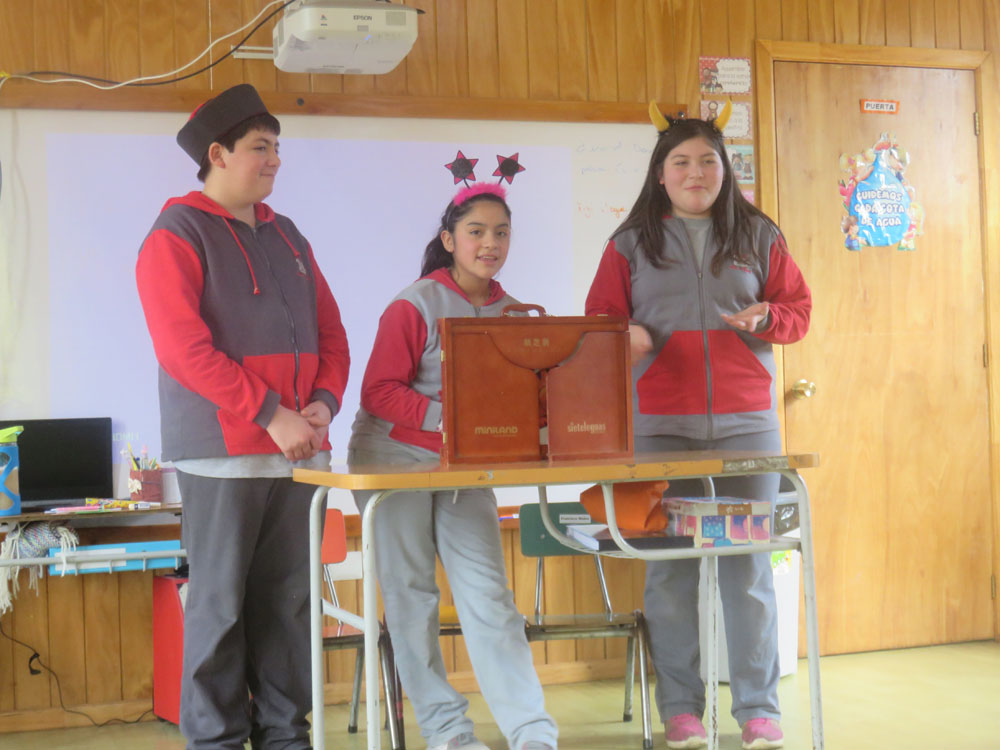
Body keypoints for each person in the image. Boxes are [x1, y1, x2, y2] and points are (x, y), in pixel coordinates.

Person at [585, 108, 811, 750]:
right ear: (660, 174)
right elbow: (598, 323)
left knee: (747, 569)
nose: (695, 173)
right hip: (659, 428)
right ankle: (681, 710)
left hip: (747, 428)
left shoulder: (758, 234)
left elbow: (798, 311)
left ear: (725, 170)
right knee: (671, 573)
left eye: (708, 161)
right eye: (681, 162)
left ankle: (759, 711)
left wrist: (768, 317)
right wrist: (625, 336)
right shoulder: (630, 243)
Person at [136, 83, 350, 750]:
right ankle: (216, 742)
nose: (275, 160)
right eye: (261, 147)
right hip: (223, 454)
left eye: (277, 147)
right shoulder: (177, 233)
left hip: (297, 456)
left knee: (288, 608)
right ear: (218, 154)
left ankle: (286, 736)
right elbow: (183, 350)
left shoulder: (289, 236)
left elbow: (331, 333)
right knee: (220, 608)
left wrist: (324, 401)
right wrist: (270, 413)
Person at [347, 183, 557, 750]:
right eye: (476, 232)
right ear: (449, 239)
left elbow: (526, 398)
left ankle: (533, 733)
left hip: (465, 466)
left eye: (501, 233)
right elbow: (379, 391)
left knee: (490, 599)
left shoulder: (516, 314)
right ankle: (448, 734)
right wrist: (456, 420)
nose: (490, 243)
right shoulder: (414, 304)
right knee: (412, 599)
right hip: (392, 460)